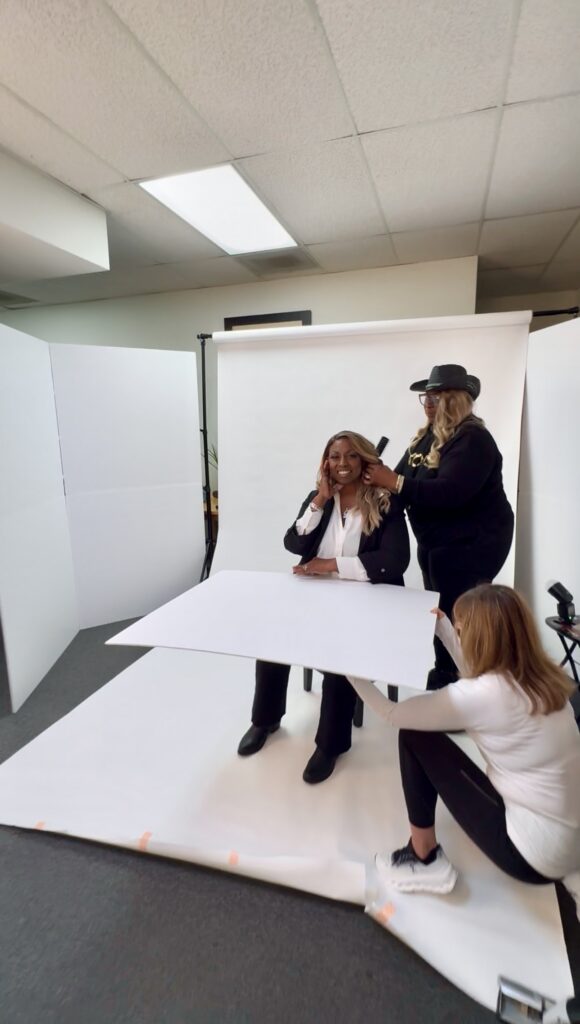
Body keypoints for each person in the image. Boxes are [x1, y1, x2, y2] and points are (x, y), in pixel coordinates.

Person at [349, 585, 580, 908]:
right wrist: (444, 628)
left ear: (478, 639)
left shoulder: (481, 696)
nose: (459, 636)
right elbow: (481, 674)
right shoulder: (546, 676)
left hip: (535, 859)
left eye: (461, 630)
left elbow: (392, 714)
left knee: (415, 736)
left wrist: (349, 672)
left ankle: (423, 857)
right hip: (570, 842)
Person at [237, 430, 410, 784]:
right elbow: (293, 542)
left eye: (350, 456)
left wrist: (330, 565)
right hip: (318, 600)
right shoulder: (320, 500)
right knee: (272, 640)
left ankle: (330, 746)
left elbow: (395, 561)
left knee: (338, 659)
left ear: (365, 461)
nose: (342, 463)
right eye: (334, 456)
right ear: (325, 462)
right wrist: (319, 499)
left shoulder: (385, 501)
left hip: (368, 605)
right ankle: (265, 720)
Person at [363, 364, 514, 690]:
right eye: (426, 397)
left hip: (474, 542)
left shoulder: (474, 439)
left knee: (462, 611)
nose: (428, 403)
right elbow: (400, 482)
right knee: (440, 607)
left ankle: (470, 682)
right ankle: (447, 672)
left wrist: (394, 481)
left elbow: (451, 492)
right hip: (437, 539)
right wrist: (375, 482)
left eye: (436, 396)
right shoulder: (425, 438)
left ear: (456, 399)